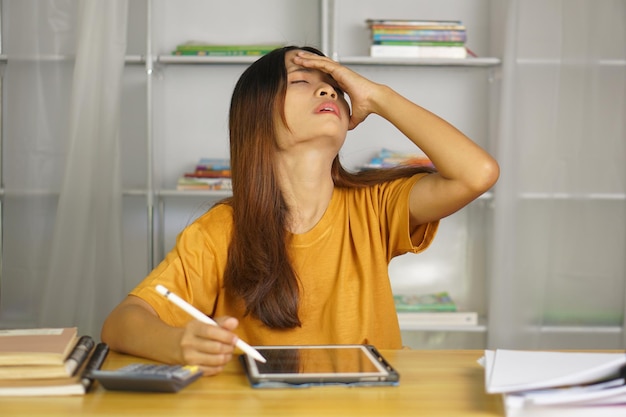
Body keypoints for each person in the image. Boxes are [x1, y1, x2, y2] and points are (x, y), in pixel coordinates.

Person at [101, 46, 499, 376]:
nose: (328, 93)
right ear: (257, 117)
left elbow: (477, 174)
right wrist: (177, 343)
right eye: (301, 82)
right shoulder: (220, 230)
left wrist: (378, 97)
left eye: (334, 87)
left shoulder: (375, 205)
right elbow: (121, 323)